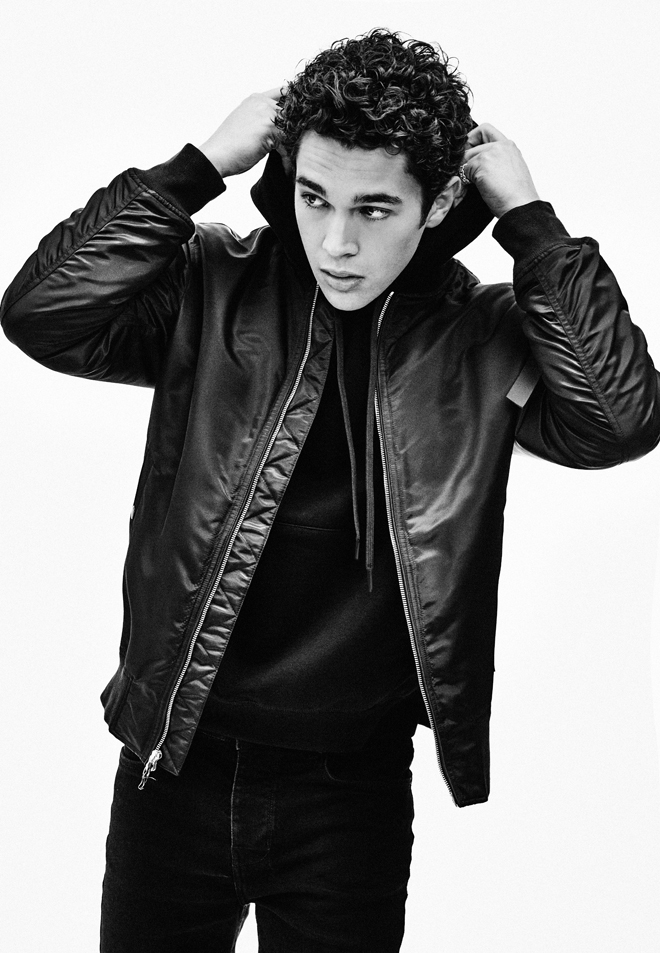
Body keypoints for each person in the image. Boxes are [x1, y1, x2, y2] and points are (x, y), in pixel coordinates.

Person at [2, 27, 659, 953]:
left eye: (375, 209)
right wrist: (195, 168)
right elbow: (41, 313)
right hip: (174, 760)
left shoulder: (480, 335)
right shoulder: (212, 286)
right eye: (315, 198)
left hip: (350, 789)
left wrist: (533, 223)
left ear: (438, 204)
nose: (337, 242)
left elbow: (620, 419)